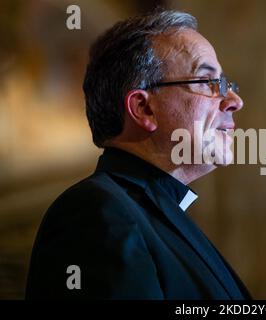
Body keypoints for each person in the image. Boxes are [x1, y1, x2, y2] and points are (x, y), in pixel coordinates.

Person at [26, 9, 250, 299]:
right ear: (144, 108)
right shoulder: (95, 213)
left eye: (225, 84)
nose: (234, 100)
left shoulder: (157, 211)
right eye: (208, 82)